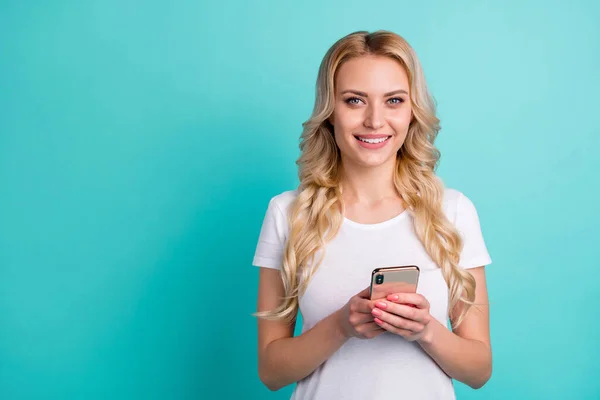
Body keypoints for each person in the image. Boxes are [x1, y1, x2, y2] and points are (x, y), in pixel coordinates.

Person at [251, 29, 493, 400]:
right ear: (330, 112)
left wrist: (425, 330)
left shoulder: (453, 212)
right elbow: (270, 371)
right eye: (355, 101)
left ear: (413, 111)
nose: (375, 121)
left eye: (394, 100)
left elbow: (479, 371)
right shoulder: (288, 213)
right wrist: (341, 326)